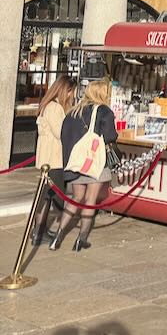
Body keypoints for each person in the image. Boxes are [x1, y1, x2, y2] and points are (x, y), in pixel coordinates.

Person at [50, 79, 118, 252]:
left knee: (76, 198)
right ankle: (81, 239)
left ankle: (57, 237)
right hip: (95, 162)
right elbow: (110, 136)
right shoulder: (104, 111)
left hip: (76, 162)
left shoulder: (73, 111)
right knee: (90, 200)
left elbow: (64, 135)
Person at [32, 76, 75, 245]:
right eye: (71, 92)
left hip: (48, 159)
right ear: (66, 90)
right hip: (53, 160)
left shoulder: (49, 105)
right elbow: (60, 132)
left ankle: (39, 231)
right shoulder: (54, 108)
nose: (72, 95)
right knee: (48, 197)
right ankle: (38, 232)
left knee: (46, 196)